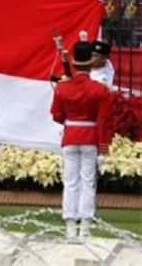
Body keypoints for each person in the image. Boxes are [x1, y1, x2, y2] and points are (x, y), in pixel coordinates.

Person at [50, 41, 113, 239]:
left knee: (70, 182)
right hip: (90, 137)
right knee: (87, 182)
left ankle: (70, 226)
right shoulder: (99, 90)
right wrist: (103, 148)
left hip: (71, 135)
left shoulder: (63, 88)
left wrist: (72, 121)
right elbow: (103, 121)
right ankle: (85, 226)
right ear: (89, 63)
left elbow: (57, 115)